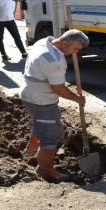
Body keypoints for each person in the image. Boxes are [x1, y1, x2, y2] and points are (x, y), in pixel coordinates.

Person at [20, 29, 88, 183]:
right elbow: (58, 88)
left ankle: (32, 147)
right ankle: (45, 168)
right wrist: (76, 98)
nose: (75, 53)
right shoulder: (53, 61)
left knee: (44, 122)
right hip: (41, 100)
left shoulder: (45, 41)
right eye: (75, 48)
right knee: (52, 135)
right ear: (65, 42)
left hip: (31, 93)